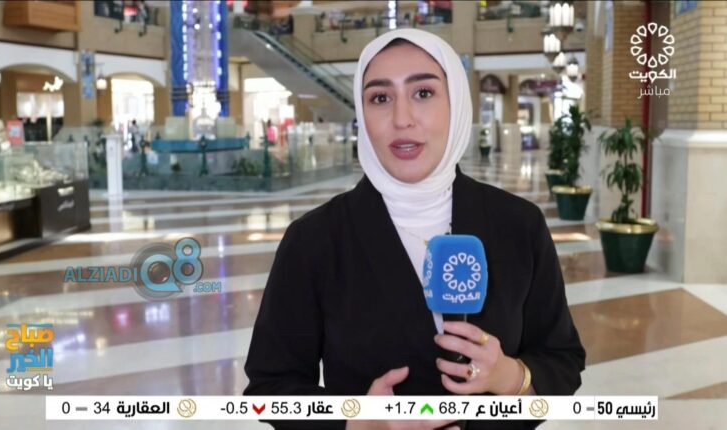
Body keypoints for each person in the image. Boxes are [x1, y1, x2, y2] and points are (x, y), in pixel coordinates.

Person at [244, 29, 585, 430]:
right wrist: (357, 423)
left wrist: (510, 377)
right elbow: (270, 387)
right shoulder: (315, 240)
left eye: (423, 93)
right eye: (380, 98)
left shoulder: (519, 224)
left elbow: (561, 359)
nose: (402, 119)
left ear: (456, 103)